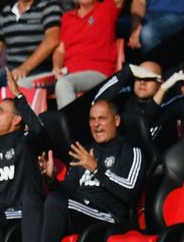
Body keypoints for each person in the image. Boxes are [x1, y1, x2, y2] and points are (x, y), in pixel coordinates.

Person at [38, 100, 146, 241]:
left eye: (102, 118)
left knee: (55, 202)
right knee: (37, 203)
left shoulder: (131, 151)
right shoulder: (85, 151)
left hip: (108, 216)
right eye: (92, 119)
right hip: (80, 209)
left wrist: (96, 168)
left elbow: (129, 191)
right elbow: (67, 190)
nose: (96, 124)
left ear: (117, 120)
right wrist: (51, 179)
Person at [0, 73, 44, 242]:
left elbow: (38, 130)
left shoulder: (25, 141)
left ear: (16, 119)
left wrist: (19, 97)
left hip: (20, 211)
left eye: (0, 111)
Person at [53, 0, 126, 109]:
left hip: (98, 72)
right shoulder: (67, 17)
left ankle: (69, 129)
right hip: (67, 73)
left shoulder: (106, 9)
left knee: (64, 84)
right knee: (23, 84)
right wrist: (56, 66)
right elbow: (60, 50)